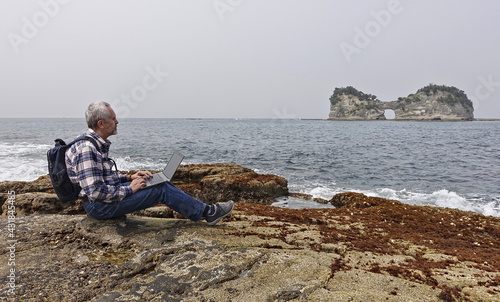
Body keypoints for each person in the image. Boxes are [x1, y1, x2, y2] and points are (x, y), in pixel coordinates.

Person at [65, 101, 234, 225]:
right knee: (161, 189)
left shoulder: (95, 144)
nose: (117, 122)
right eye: (114, 118)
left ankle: (204, 210)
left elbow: (104, 176)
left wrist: (130, 177)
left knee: (160, 181)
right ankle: (208, 212)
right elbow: (95, 192)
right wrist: (130, 189)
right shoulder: (87, 149)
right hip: (99, 207)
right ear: (101, 123)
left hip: (103, 202)